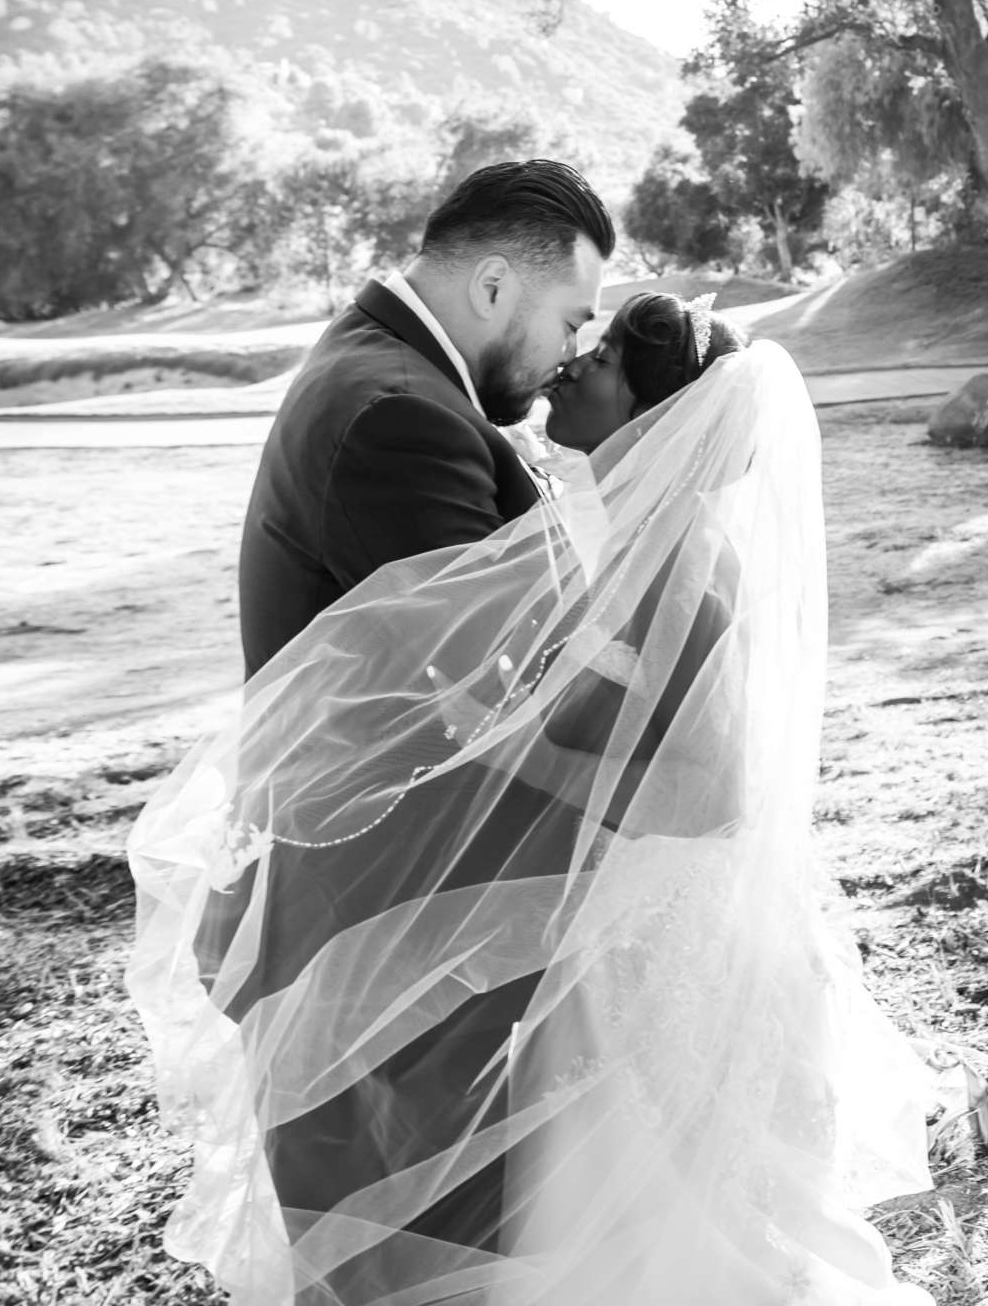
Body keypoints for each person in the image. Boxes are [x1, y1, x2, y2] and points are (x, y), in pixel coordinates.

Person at [128, 302, 935, 1305]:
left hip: (656, 925)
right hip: (618, 916)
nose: (567, 370)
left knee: (651, 1203)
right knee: (595, 1202)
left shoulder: (683, 563)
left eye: (596, 361)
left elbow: (707, 793)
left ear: (651, 411)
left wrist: (507, 747)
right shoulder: (642, 548)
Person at [238, 158, 614, 677]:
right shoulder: (401, 419)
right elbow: (508, 681)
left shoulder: (368, 352)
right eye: (572, 322)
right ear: (492, 287)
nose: (571, 352)